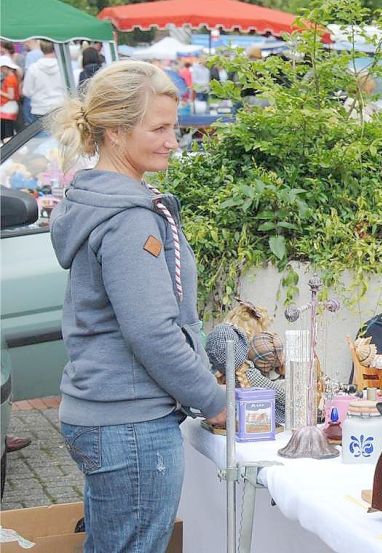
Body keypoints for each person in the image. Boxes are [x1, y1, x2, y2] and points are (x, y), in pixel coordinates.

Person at [48, 60, 227, 552]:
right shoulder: (128, 220)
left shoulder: (101, 201)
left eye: (174, 126)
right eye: (160, 128)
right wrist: (215, 402)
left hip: (107, 416)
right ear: (113, 132)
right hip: (129, 425)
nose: (174, 140)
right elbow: (152, 331)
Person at [22, 40, 66, 120]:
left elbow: (26, 91)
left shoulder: (33, 68)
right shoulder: (63, 67)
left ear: (41, 49)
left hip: (39, 108)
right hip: (59, 106)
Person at [0, 55, 20, 139]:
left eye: (1, 68)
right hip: (10, 106)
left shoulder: (9, 79)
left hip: (8, 106)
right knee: (8, 130)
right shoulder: (13, 77)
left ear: (6, 67)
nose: (1, 70)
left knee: (6, 133)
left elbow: (11, 96)